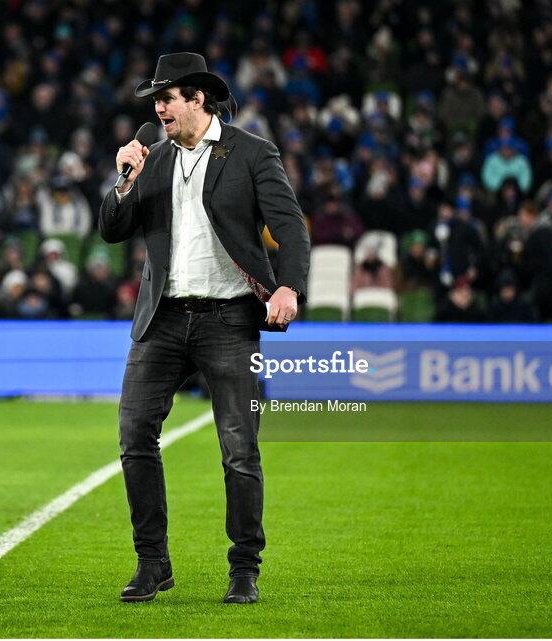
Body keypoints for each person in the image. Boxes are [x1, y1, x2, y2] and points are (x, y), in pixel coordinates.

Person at [99, 53, 310, 605]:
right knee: (134, 438)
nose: (158, 108)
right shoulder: (151, 158)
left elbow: (289, 226)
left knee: (239, 448)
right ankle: (153, 564)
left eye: (166, 97)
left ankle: (244, 569)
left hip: (229, 319)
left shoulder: (252, 153)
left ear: (198, 98)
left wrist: (288, 287)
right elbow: (111, 231)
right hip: (163, 318)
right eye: (155, 100)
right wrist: (123, 183)